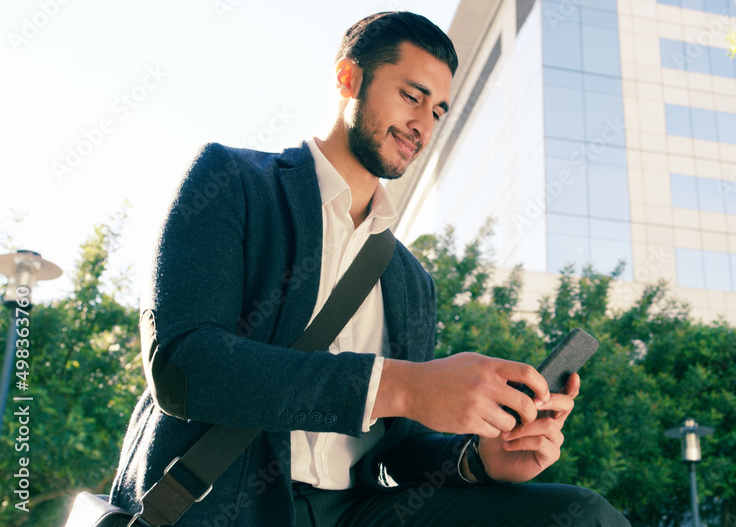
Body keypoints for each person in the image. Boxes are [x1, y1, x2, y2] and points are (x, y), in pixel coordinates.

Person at [110, 11, 629, 527]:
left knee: (582, 516)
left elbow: (398, 449)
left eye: (439, 111)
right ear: (349, 78)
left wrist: (476, 458)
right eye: (412, 96)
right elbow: (184, 367)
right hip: (225, 507)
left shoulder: (411, 281)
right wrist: (400, 385)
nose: (423, 125)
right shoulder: (233, 180)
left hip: (356, 512)